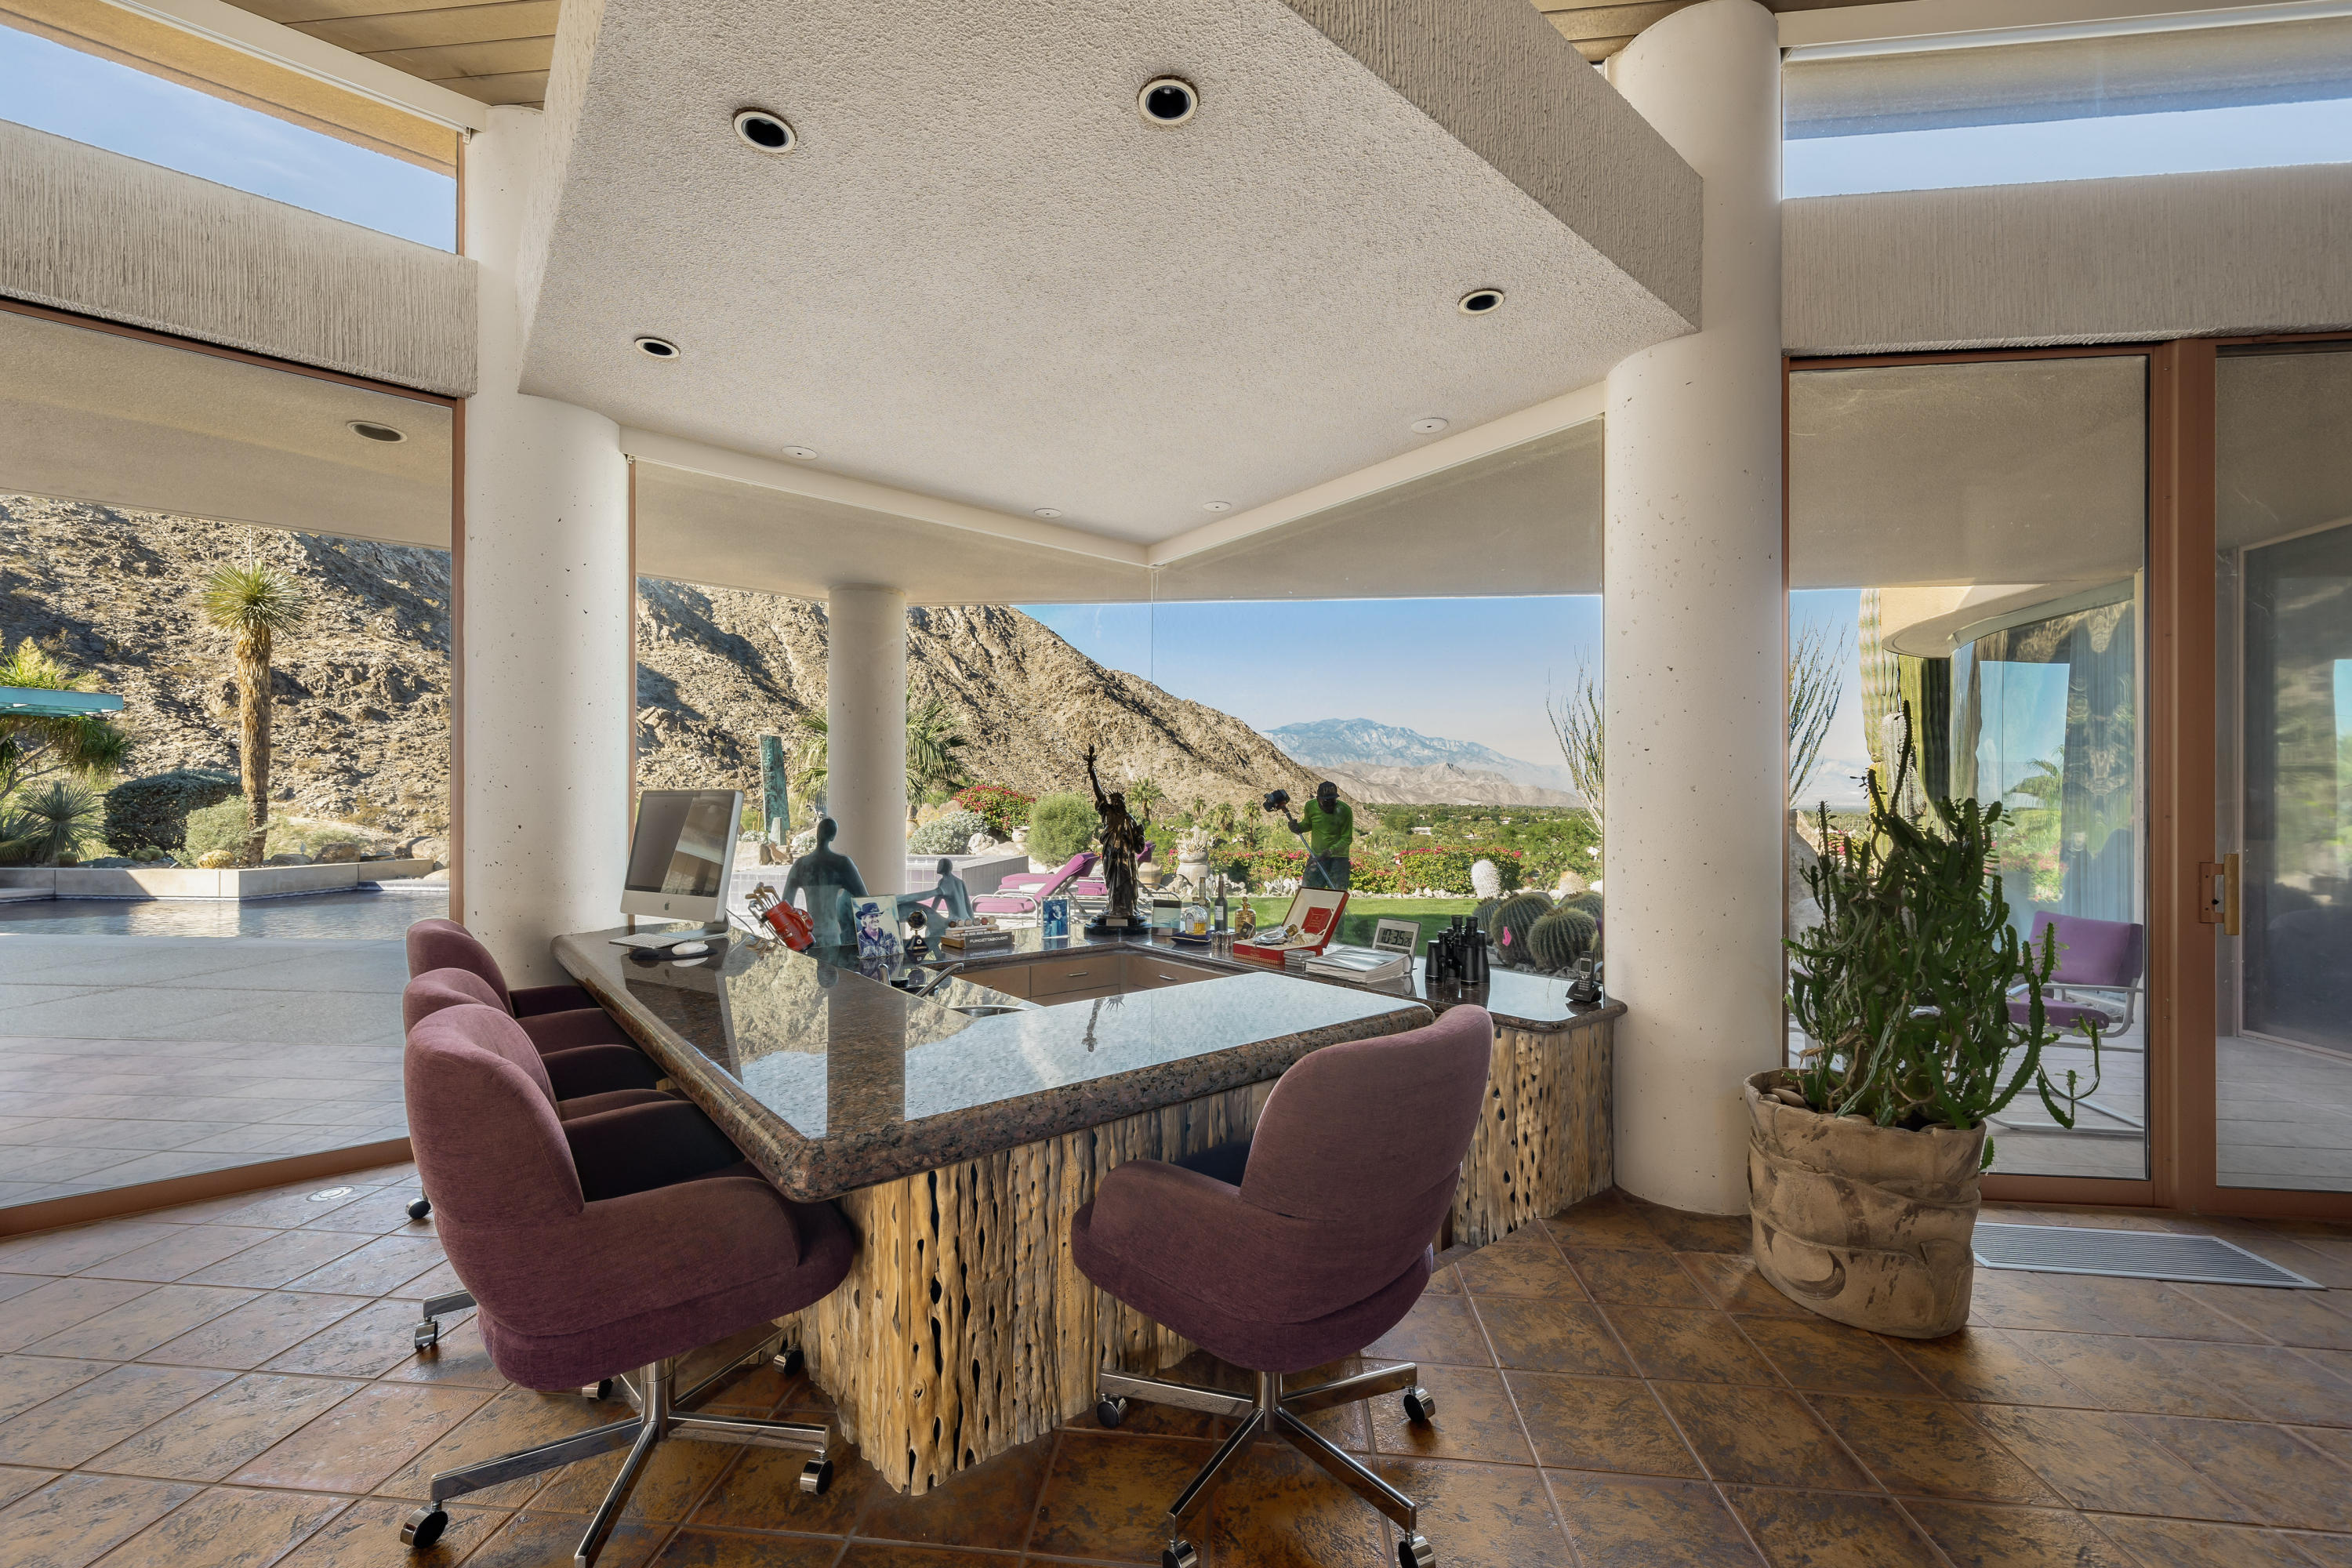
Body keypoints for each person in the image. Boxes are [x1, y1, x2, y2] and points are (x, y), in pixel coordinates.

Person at [1283, 780, 1354, 891]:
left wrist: (1331, 851)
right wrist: (1297, 827)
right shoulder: (1310, 806)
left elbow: (1347, 838)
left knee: (1337, 896)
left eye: (1333, 801)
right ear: (1318, 799)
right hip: (1317, 857)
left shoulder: (1345, 810)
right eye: (1326, 802)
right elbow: (1308, 824)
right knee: (1309, 893)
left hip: (1339, 860)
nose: (1330, 805)